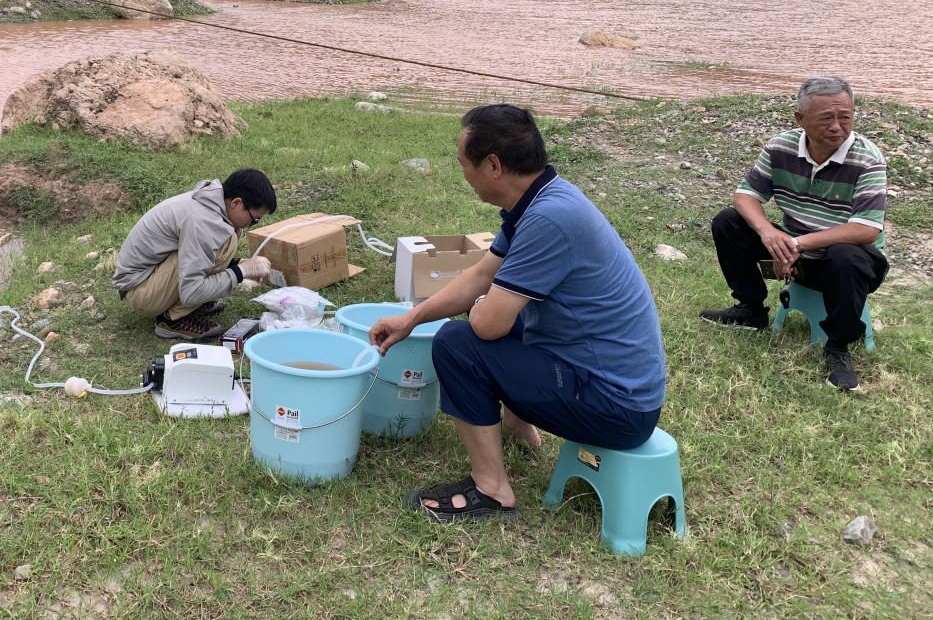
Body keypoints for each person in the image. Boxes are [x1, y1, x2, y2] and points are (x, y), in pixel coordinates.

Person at [370, 105, 666, 522]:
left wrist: (481, 310)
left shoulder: (549, 218)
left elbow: (486, 325)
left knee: (458, 344)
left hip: (616, 406)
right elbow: (481, 275)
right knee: (513, 312)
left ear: (493, 165)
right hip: (611, 384)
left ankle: (492, 490)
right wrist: (412, 318)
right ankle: (518, 425)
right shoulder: (540, 199)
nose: (462, 172)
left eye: (463, 163)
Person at [701, 76, 888, 391]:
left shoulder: (868, 158)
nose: (837, 126)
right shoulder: (780, 147)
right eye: (826, 118)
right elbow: (746, 195)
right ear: (800, 119)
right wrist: (769, 235)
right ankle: (751, 310)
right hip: (792, 259)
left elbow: (866, 229)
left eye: (845, 116)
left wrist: (795, 245)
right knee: (728, 221)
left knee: (845, 253)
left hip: (849, 267)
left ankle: (838, 345)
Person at [112, 169, 276, 341]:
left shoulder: (212, 204)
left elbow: (202, 255)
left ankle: (186, 306)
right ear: (236, 202)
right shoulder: (203, 222)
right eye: (254, 219)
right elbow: (191, 291)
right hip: (139, 292)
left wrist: (239, 263)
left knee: (230, 236)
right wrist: (240, 272)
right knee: (225, 241)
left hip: (147, 277)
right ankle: (172, 320)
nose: (251, 224)